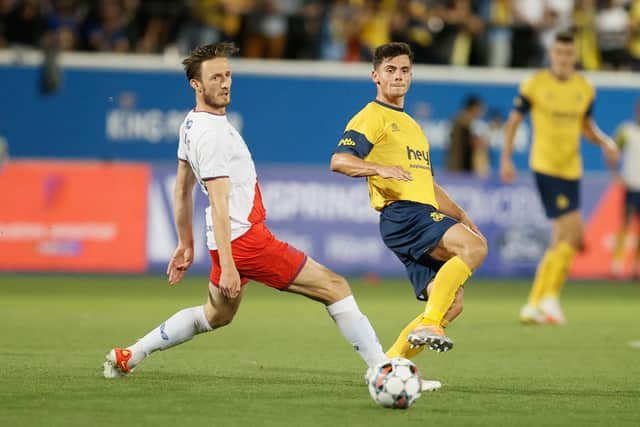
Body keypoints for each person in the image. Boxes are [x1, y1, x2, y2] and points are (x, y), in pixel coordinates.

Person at [102, 42, 446, 390]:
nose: (225, 83)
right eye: (215, 77)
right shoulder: (212, 135)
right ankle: (385, 375)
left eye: (228, 75)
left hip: (225, 240)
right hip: (244, 240)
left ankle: (133, 353)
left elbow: (180, 190)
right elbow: (219, 204)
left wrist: (185, 244)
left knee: (216, 315)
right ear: (196, 84)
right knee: (336, 287)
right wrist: (232, 263)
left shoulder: (191, 125)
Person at [330, 42, 488, 361]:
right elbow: (339, 160)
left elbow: (425, 182)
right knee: (475, 249)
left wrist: (460, 215)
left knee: (452, 302)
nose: (398, 77)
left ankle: (389, 369)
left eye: (404, 70)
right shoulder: (371, 117)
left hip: (416, 214)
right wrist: (378, 168)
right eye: (390, 70)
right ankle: (429, 324)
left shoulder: (414, 127)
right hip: (403, 213)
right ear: (375, 76)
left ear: (411, 76)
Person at [500, 31, 619, 325]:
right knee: (572, 233)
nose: (564, 59)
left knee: (563, 237)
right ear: (551, 55)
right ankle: (546, 299)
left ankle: (537, 303)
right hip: (546, 167)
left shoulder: (584, 88)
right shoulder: (535, 85)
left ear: (574, 56)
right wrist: (506, 158)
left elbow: (586, 126)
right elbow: (514, 121)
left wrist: (605, 142)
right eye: (559, 53)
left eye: (568, 54)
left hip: (572, 169)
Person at [611, 100, 640, 279]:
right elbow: (612, 152)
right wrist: (616, 174)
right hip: (630, 186)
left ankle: (637, 267)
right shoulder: (626, 131)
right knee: (625, 224)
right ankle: (616, 266)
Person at [446, 95, 489, 176]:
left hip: (456, 167)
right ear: (474, 108)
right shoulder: (464, 121)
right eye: (480, 109)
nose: (481, 112)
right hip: (459, 168)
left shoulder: (459, 119)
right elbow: (474, 142)